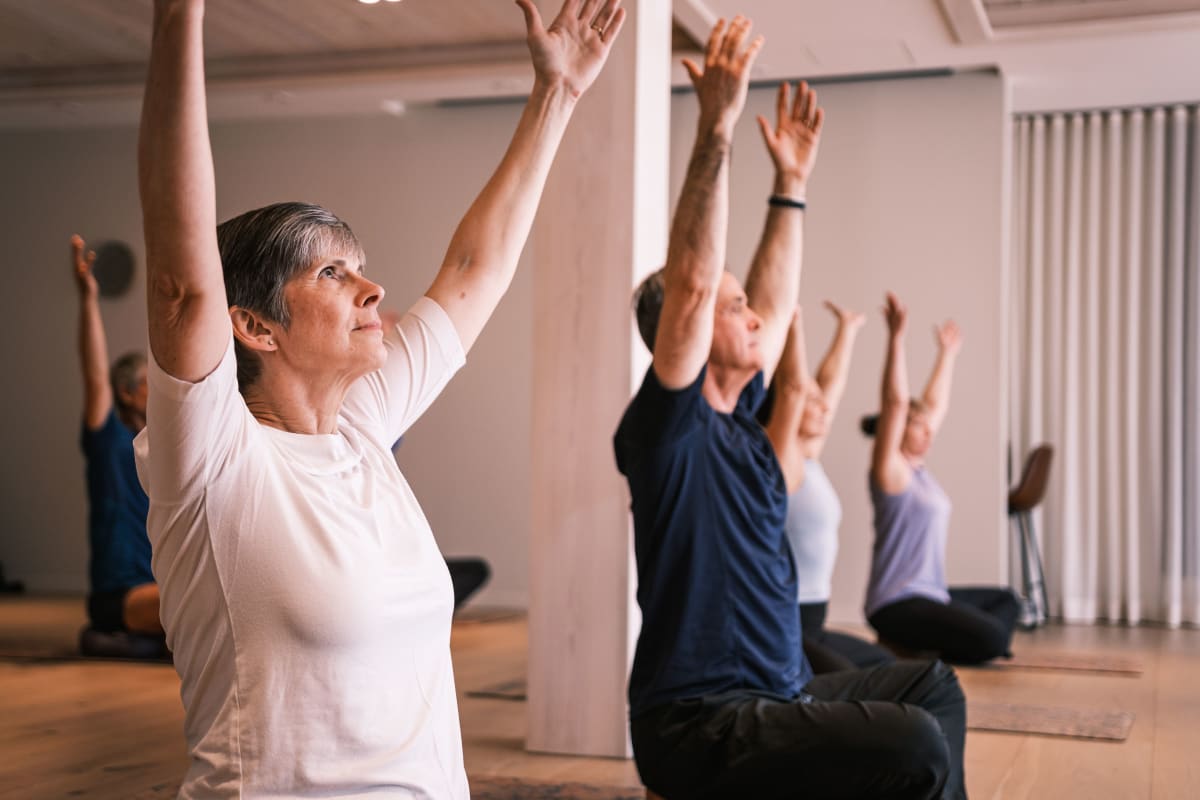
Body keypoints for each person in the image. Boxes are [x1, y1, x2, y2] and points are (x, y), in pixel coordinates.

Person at [134, 0, 624, 796]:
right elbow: (181, 285)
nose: (374, 289)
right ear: (253, 325)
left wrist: (557, 94)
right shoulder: (216, 458)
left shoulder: (360, 426)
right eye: (333, 273)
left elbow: (473, 270)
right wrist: (178, 16)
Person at [615, 17, 965, 800]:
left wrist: (792, 188)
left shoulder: (751, 428)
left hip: (781, 695)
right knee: (909, 740)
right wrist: (717, 126)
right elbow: (700, 285)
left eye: (747, 308)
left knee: (931, 690)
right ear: (693, 330)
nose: (752, 317)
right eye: (729, 308)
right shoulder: (669, 432)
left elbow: (768, 298)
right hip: (700, 722)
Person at [863, 292, 1020, 664]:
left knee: (1007, 601)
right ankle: (923, 643)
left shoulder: (920, 472)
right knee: (993, 638)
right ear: (897, 429)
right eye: (918, 427)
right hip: (896, 603)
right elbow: (896, 403)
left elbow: (934, 406)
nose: (928, 432)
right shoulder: (891, 472)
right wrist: (896, 339)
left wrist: (947, 355)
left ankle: (920, 646)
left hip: (931, 594)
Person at [762, 301, 893, 674]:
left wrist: (847, 331)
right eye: (811, 402)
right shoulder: (779, 460)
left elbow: (829, 389)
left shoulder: (806, 457)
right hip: (787, 622)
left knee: (888, 668)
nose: (824, 408)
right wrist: (792, 325)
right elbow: (792, 386)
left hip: (814, 620)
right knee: (857, 685)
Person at [71, 234, 162, 639]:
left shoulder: (163, 449)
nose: (158, 392)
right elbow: (94, 376)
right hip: (121, 596)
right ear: (126, 392)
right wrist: (89, 299)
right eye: (148, 384)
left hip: (160, 589)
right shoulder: (108, 441)